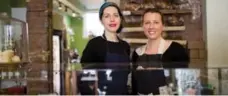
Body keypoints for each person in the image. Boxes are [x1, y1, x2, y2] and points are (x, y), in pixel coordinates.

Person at [131, 8, 190, 95]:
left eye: (156, 22)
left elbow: (184, 83)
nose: (151, 27)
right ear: (142, 26)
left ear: (163, 26)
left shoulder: (176, 49)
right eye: (147, 23)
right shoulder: (137, 53)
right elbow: (134, 86)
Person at [78, 2, 130, 95]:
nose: (112, 19)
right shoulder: (94, 44)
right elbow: (85, 80)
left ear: (120, 18)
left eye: (116, 15)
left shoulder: (125, 46)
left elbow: (127, 76)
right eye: (107, 16)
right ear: (101, 20)